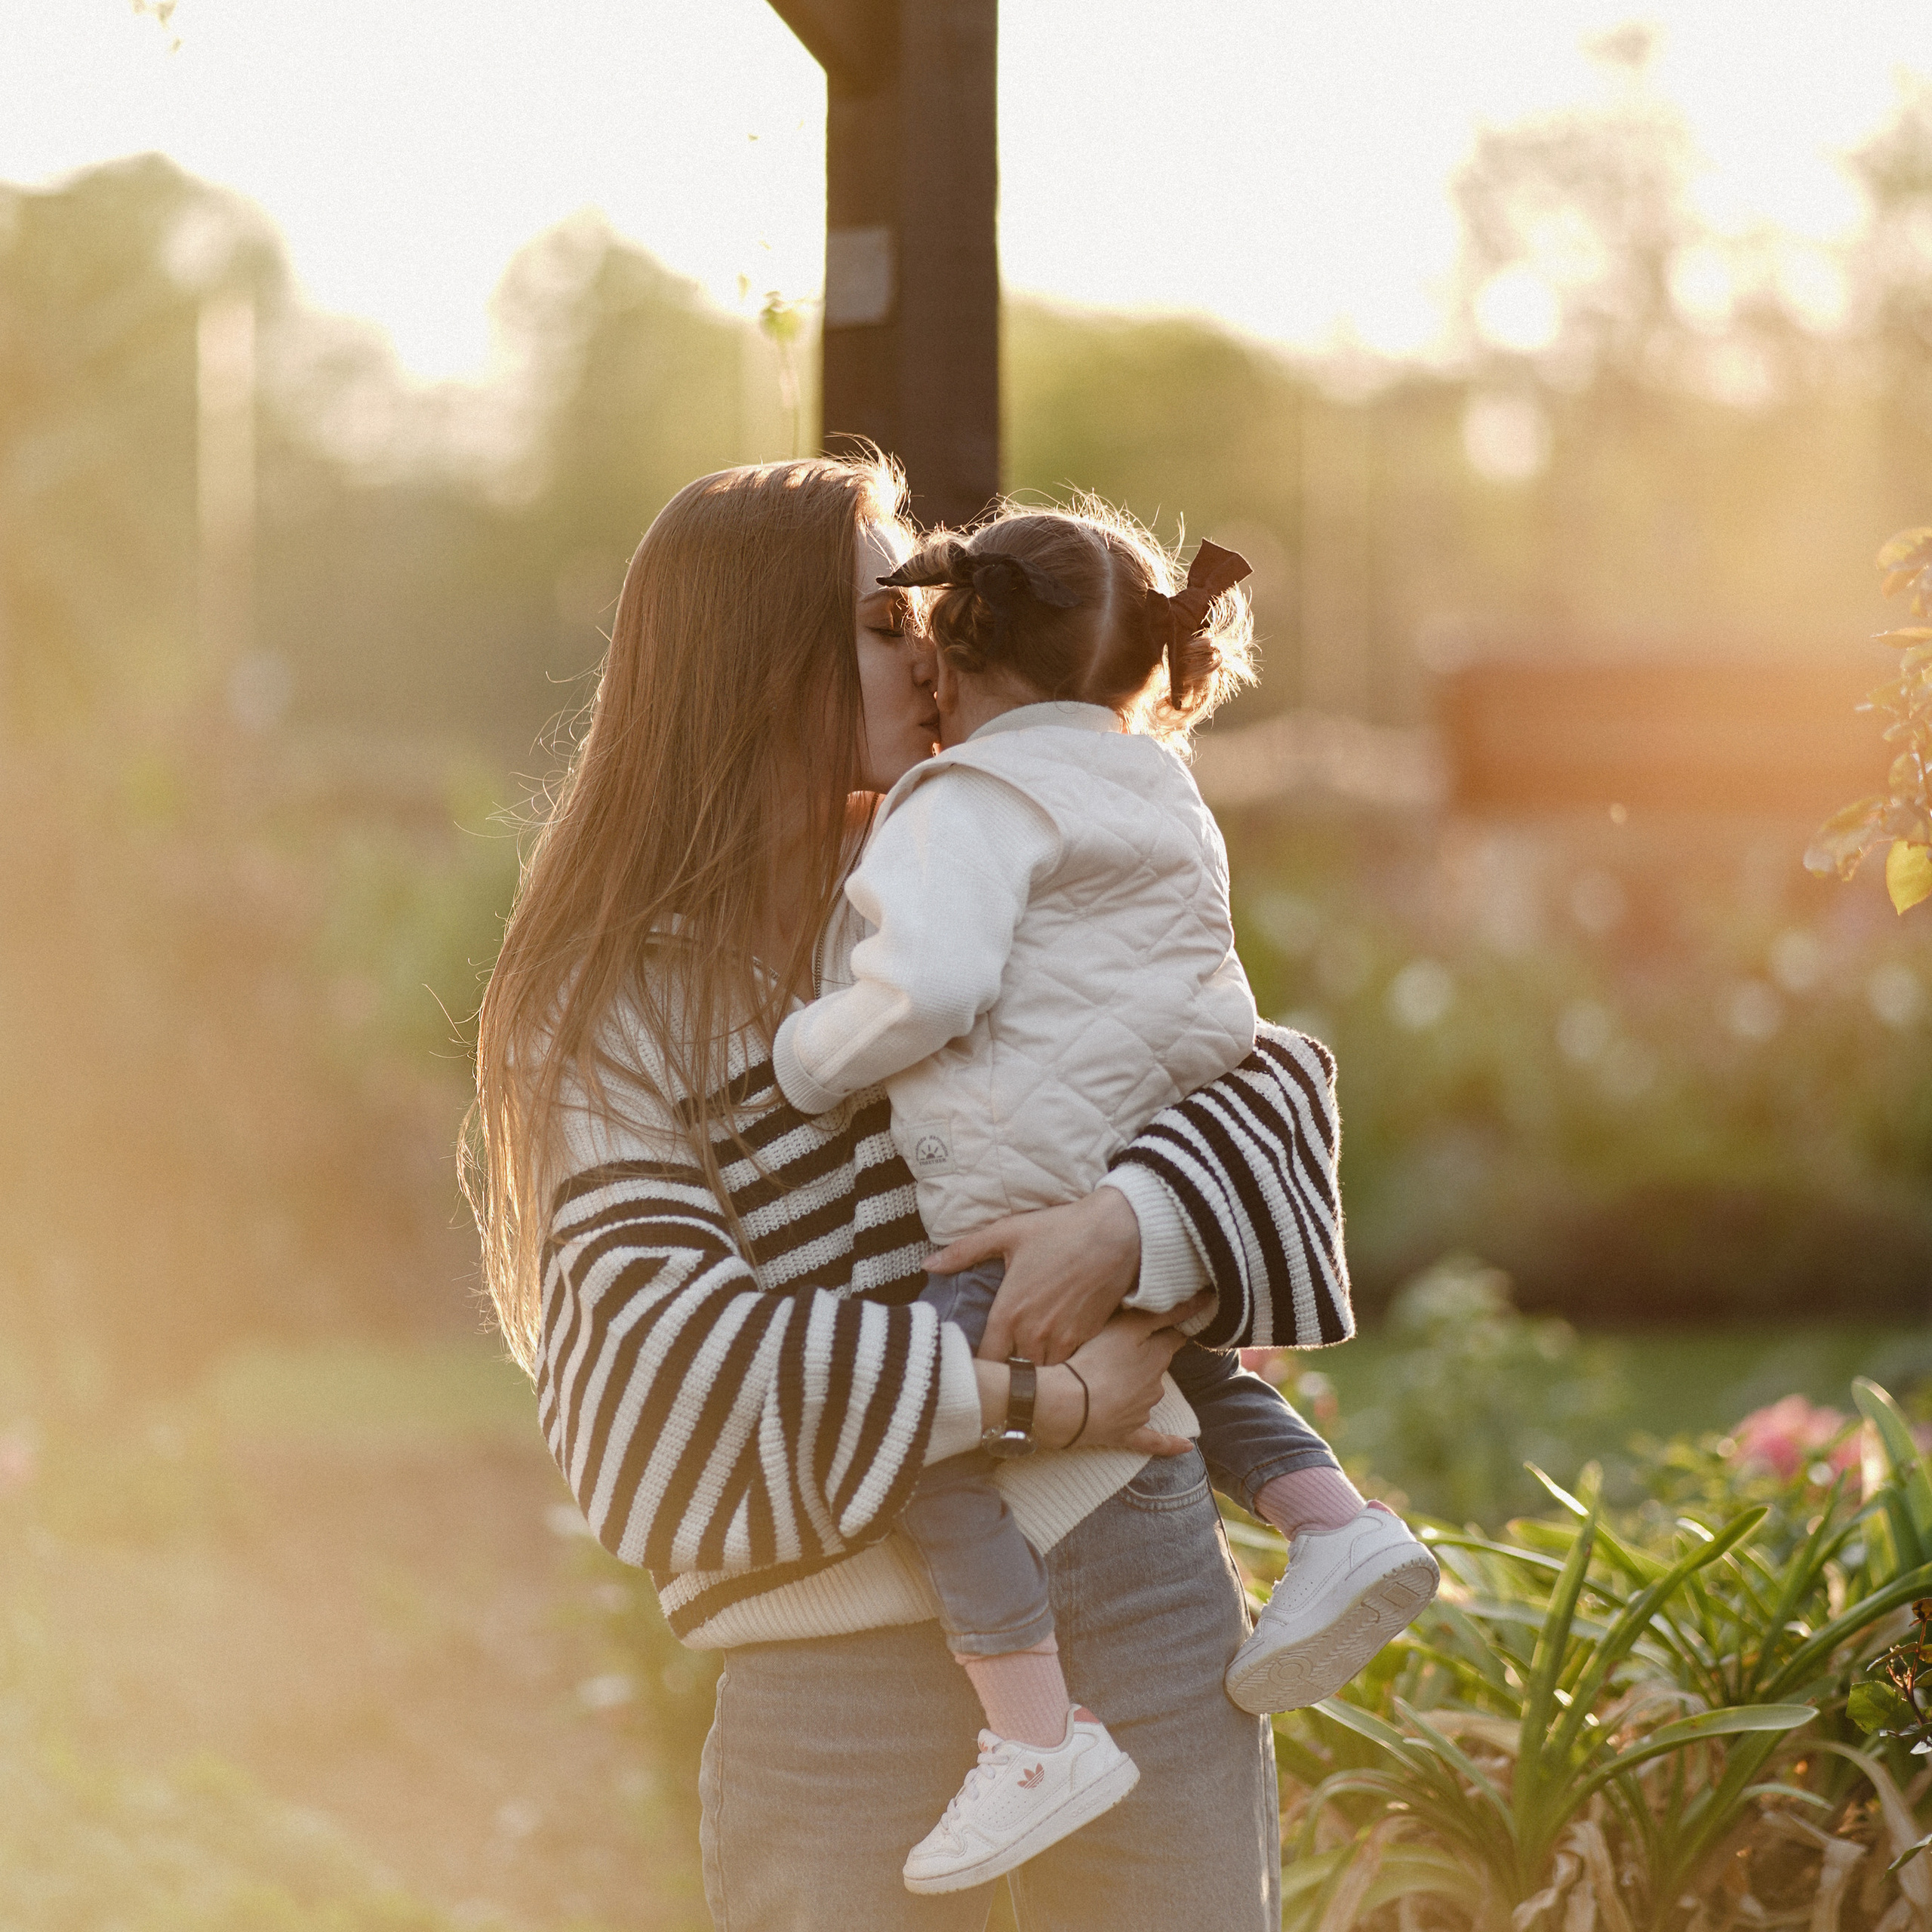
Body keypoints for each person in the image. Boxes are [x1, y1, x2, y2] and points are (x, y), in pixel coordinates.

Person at [466, 453, 1362, 1930]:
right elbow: (661, 1361)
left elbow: (1264, 1085)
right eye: (887, 626)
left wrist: (1124, 1226)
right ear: (753, 663)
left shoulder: (959, 849)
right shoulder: (613, 1005)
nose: (932, 651)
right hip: (839, 1669)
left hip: (1137, 1590)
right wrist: (1040, 1400)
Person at [769, 506, 1439, 1894]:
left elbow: (934, 987)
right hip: (1138, 1128)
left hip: (1012, 1181)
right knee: (1183, 1357)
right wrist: (1148, 1205)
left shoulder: (964, 802)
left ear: (959, 651)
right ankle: (1333, 1523)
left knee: (920, 1446)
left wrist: (812, 1055)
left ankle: (1030, 1727)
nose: (908, 666)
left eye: (913, 630)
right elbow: (1236, 1029)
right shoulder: (1158, 783)